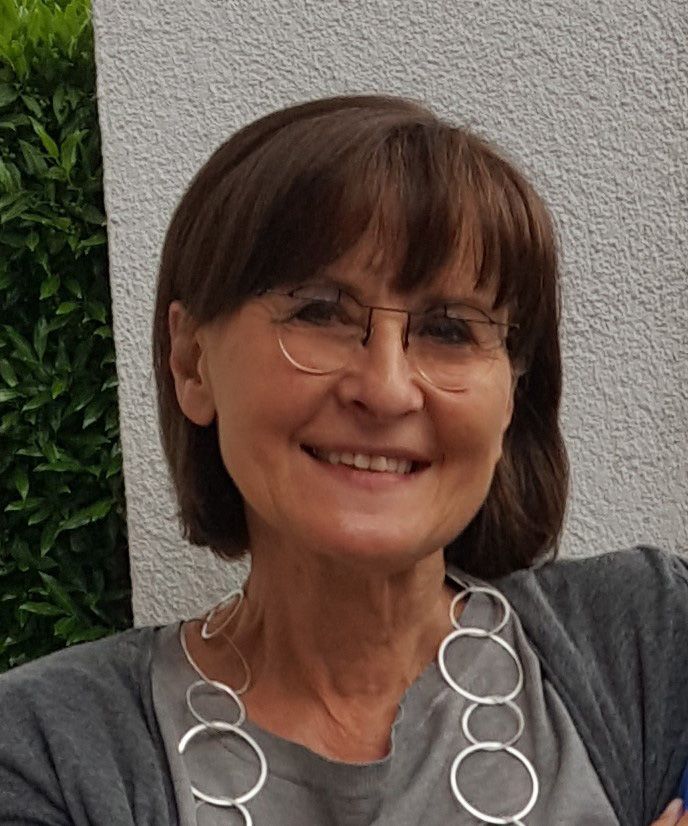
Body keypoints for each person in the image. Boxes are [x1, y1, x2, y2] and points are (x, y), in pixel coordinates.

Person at [0, 94, 686, 826]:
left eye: (450, 330)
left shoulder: (650, 644)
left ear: (513, 392)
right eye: (320, 312)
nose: (386, 390)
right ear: (192, 361)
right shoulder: (47, 749)